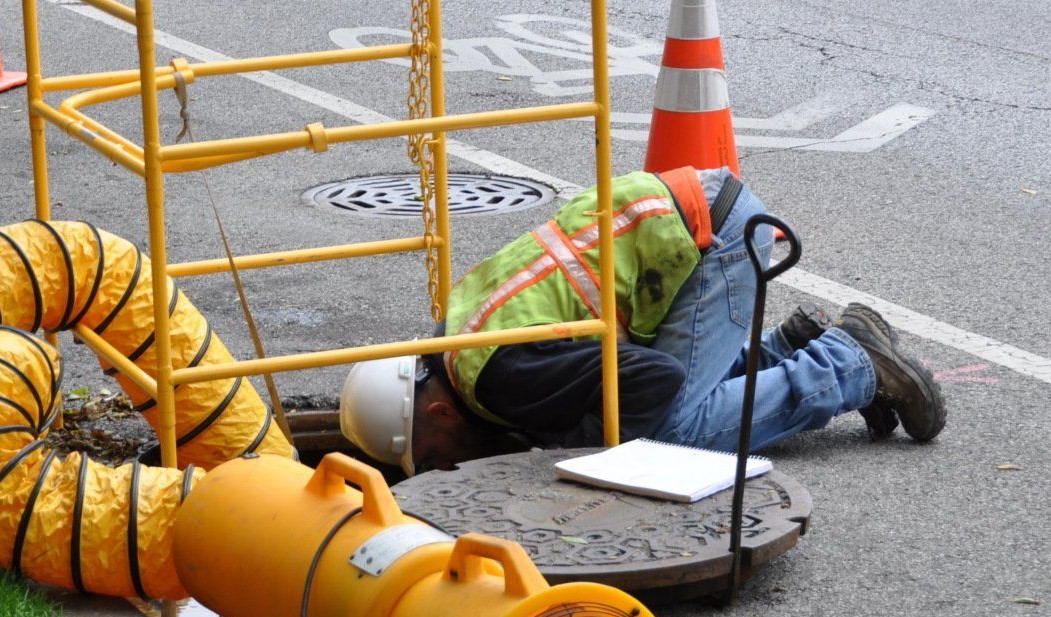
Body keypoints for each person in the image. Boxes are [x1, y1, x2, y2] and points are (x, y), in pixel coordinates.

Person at [338, 166, 946, 475]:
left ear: (439, 411)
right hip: (677, 227)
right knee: (644, 405)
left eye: (436, 456)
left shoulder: (502, 377)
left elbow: (652, 381)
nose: (449, 469)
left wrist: (594, 453)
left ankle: (848, 365)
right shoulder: (455, 344)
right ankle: (783, 350)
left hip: (712, 238)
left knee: (669, 435)